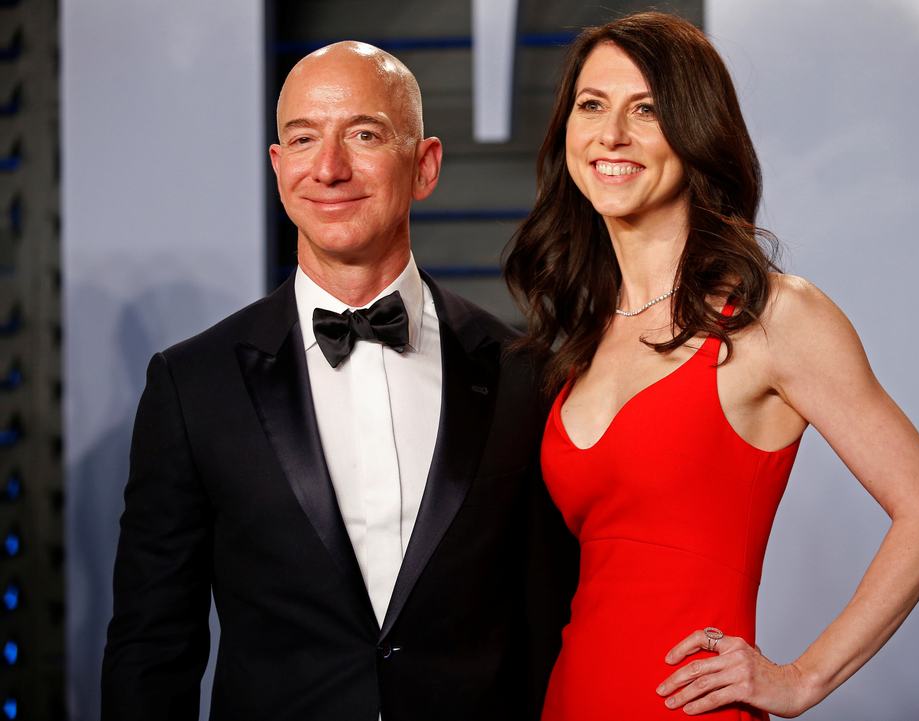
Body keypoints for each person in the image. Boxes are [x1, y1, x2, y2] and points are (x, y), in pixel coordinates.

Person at [503, 11, 919, 720]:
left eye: (647, 109)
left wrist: (803, 678)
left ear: (695, 131)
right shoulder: (583, 332)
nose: (611, 135)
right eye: (591, 105)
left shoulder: (773, 317)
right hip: (570, 698)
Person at [102, 42, 575, 721]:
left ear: (426, 165)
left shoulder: (520, 373)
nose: (329, 168)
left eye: (364, 134)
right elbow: (151, 648)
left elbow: (549, 627)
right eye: (302, 139)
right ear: (278, 167)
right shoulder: (192, 384)